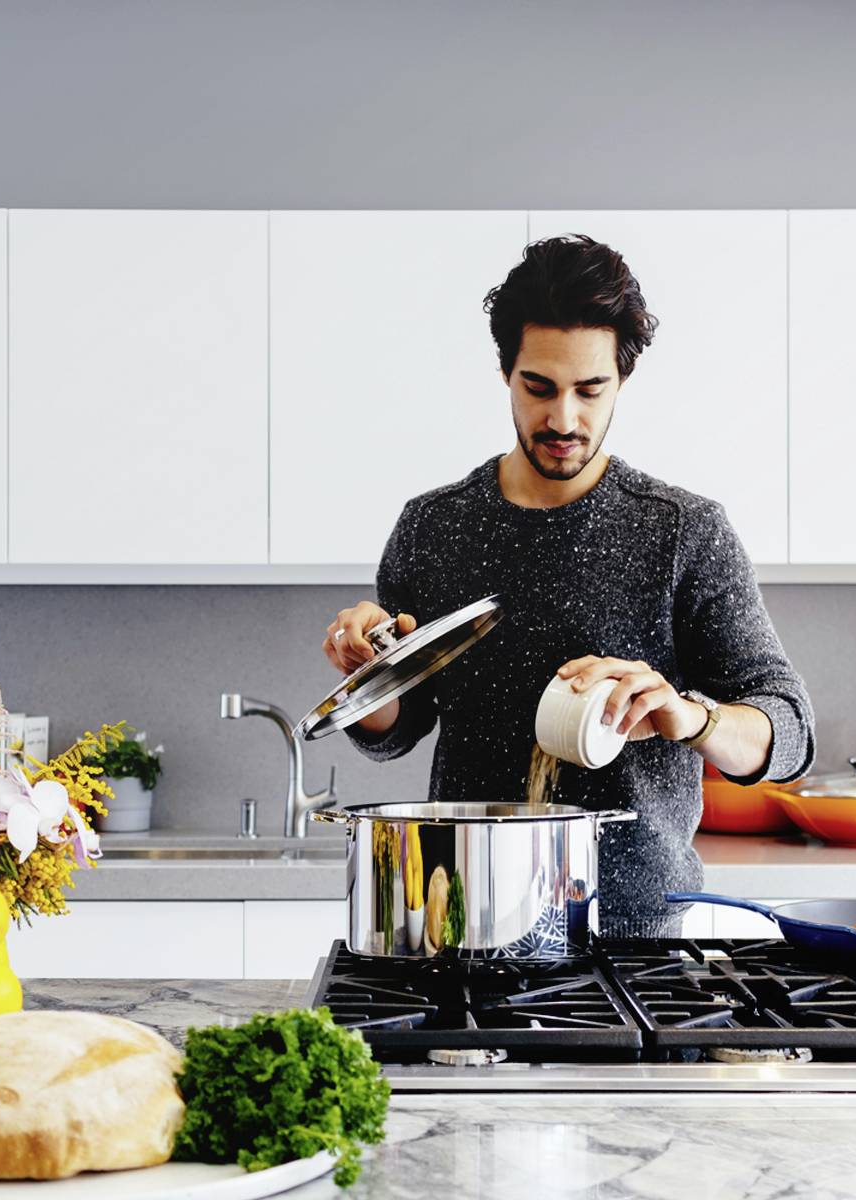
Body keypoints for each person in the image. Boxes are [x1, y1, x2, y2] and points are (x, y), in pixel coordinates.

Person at [321, 234, 815, 936]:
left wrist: (689, 717)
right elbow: (397, 731)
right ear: (505, 372)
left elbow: (788, 731)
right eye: (539, 388)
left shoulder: (683, 530)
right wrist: (366, 678)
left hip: (635, 936)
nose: (563, 419)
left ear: (623, 379)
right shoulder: (433, 527)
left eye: (590, 390)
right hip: (466, 921)